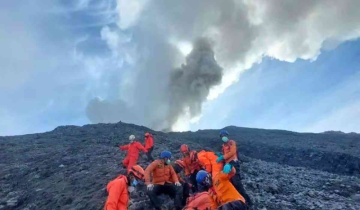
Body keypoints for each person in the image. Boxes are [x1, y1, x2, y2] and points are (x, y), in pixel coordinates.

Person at [216, 130, 253, 206]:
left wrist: (223, 156)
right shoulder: (223, 146)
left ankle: (248, 202)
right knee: (232, 184)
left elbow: (232, 152)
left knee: (237, 183)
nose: (223, 137)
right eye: (222, 136)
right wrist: (221, 156)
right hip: (227, 165)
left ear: (227, 135)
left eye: (224, 135)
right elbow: (225, 155)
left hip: (233, 163)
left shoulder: (231, 142)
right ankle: (239, 201)